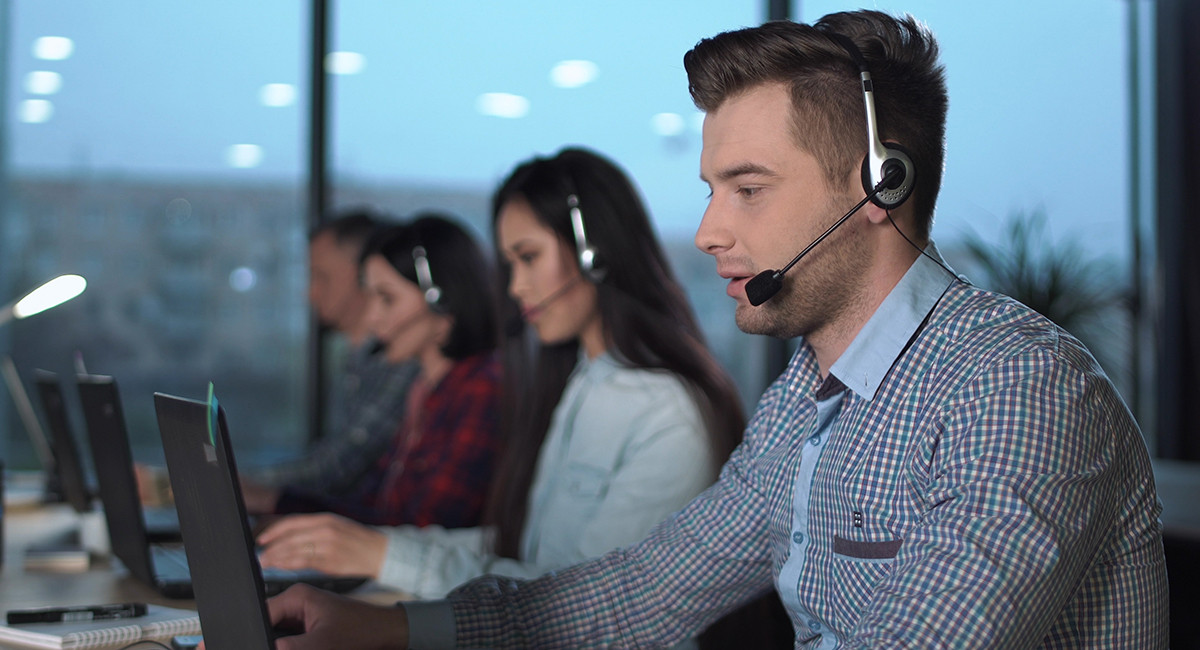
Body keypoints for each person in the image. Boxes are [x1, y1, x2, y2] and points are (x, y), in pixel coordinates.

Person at [259, 11, 1169, 649]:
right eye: (709, 190)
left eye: (748, 189)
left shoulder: (1017, 388)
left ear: (878, 187)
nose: (707, 232)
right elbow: (640, 593)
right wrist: (391, 629)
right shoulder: (804, 408)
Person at [256, 149, 753, 623]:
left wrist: (382, 554)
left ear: (592, 251)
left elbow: (590, 603)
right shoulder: (582, 382)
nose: (514, 288)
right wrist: (369, 547)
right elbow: (525, 548)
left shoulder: (665, 412)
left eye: (528, 257)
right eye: (509, 264)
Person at [243, 214, 503, 529]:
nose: (373, 318)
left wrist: (281, 504)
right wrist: (284, 507)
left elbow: (423, 528)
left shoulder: (481, 391)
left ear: (442, 300)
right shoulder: (424, 390)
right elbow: (372, 505)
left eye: (387, 299)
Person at [245, 209, 419, 496]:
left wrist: (239, 486)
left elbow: (338, 466)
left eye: (321, 276)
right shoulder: (359, 361)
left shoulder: (401, 363)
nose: (309, 293)